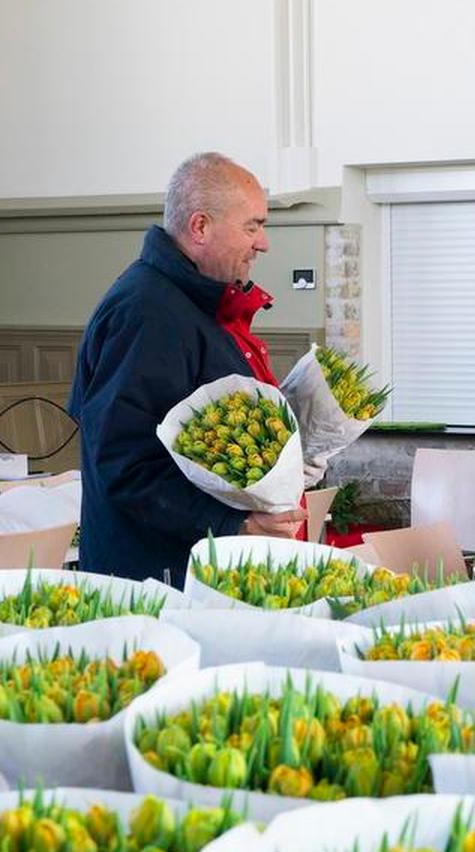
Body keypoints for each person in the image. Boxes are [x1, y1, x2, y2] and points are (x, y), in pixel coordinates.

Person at [68, 152, 304, 583]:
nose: (263, 242)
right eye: (252, 226)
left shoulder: (189, 303)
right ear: (200, 227)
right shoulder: (147, 312)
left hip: (187, 572)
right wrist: (236, 525)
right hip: (155, 585)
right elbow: (124, 465)